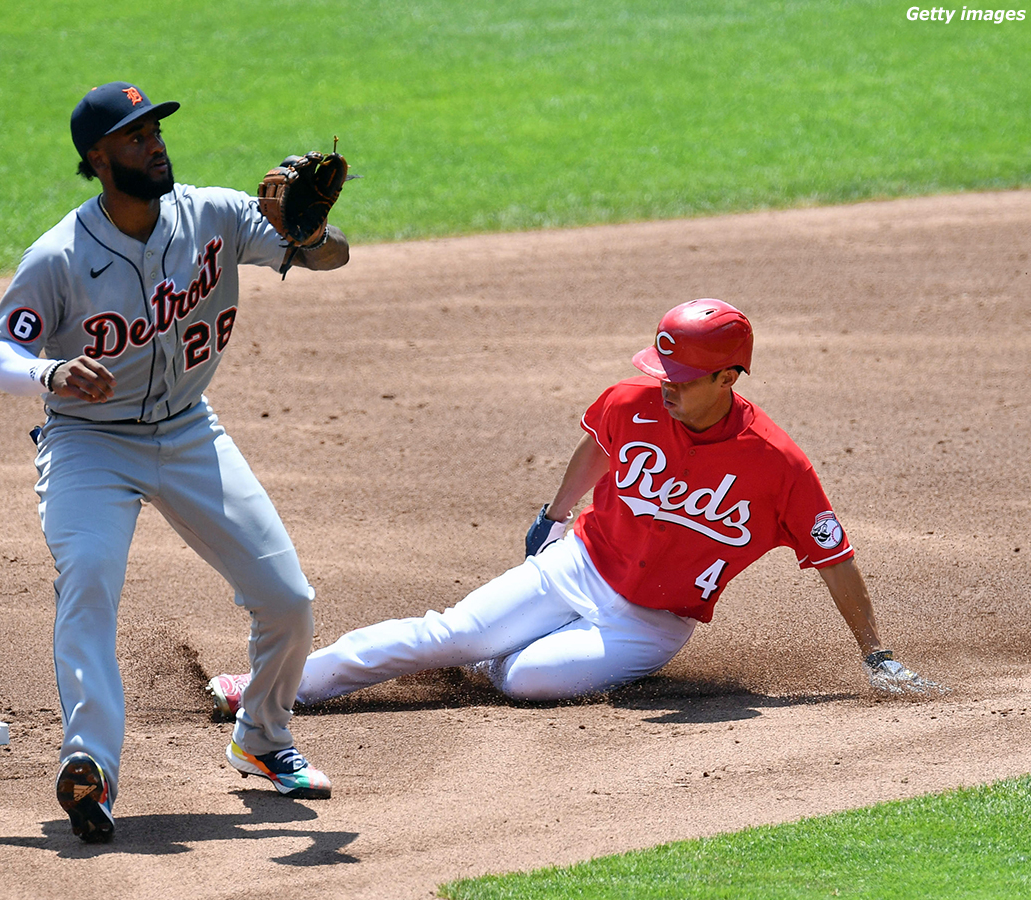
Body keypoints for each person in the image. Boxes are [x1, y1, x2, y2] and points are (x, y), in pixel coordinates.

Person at [209, 298, 938, 721]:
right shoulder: (635, 404)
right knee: (450, 635)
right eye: (662, 372)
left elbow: (834, 559)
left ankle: (547, 659)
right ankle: (270, 689)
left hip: (653, 624)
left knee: (523, 678)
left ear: (728, 375)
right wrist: (556, 515)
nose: (666, 388)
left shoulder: (779, 465)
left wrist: (876, 655)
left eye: (682, 378)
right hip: (577, 566)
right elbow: (598, 443)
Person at [0, 81, 349, 843]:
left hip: (189, 431)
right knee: (88, 584)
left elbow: (331, 257)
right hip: (90, 442)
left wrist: (310, 232)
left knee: (287, 599)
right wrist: (48, 373)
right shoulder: (60, 255)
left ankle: (263, 737)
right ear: (98, 156)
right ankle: (90, 767)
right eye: (134, 134)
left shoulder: (209, 213)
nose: (154, 142)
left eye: (154, 129)